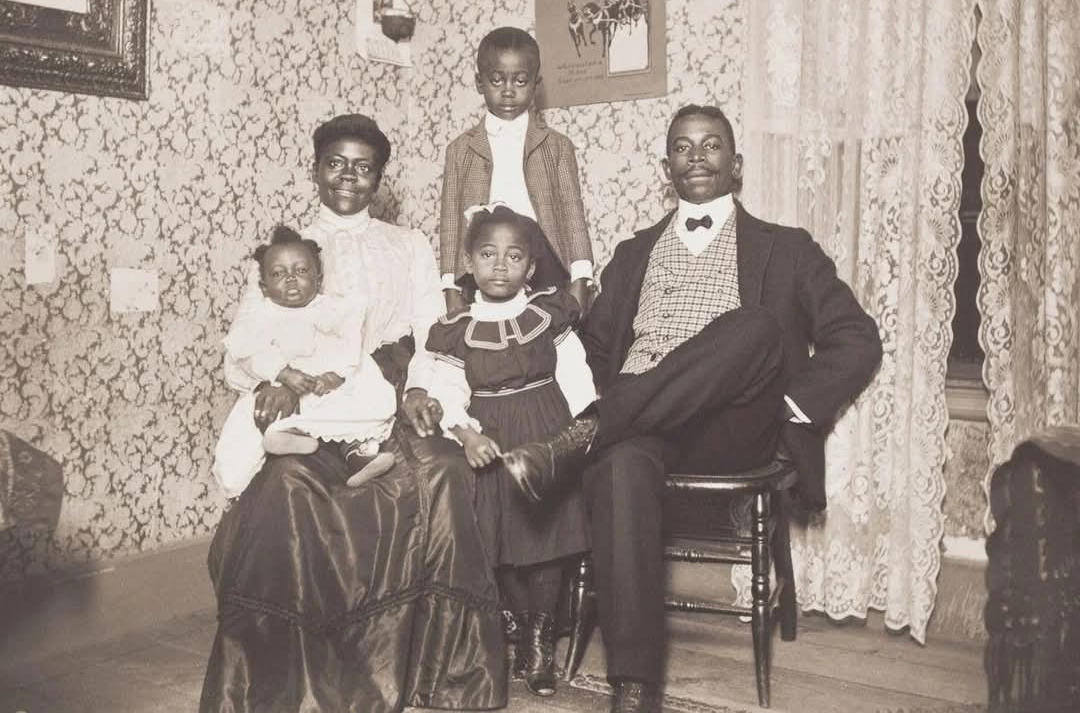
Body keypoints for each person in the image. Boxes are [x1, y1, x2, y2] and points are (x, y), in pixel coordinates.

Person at [501, 105, 884, 713]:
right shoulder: (632, 254)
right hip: (642, 427)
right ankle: (634, 687)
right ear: (666, 167)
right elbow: (596, 349)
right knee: (621, 463)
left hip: (730, 425)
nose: (697, 157)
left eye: (711, 146)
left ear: (735, 165)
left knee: (757, 328)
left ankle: (586, 435)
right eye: (683, 147)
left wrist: (792, 405)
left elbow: (857, 337)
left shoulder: (785, 249)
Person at [200, 114, 506, 713]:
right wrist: (277, 381)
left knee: (442, 468)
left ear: (380, 177)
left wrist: (420, 390)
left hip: (388, 391)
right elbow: (246, 345)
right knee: (286, 484)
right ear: (315, 169)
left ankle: (435, 677)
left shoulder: (408, 244)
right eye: (336, 163)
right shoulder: (287, 250)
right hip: (308, 402)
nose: (349, 176)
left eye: (364, 166)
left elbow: (432, 333)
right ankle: (295, 682)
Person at [425, 204, 595, 697]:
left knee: (547, 539)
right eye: (488, 254)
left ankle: (540, 641)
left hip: (546, 430)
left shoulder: (547, 313)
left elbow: (577, 376)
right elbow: (448, 394)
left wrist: (581, 432)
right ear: (470, 262)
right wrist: (468, 435)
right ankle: (515, 628)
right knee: (502, 540)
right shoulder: (456, 329)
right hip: (491, 437)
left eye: (514, 255)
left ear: (531, 266)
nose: (500, 265)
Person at [212, 225, 396, 498]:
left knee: (366, 400)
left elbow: (348, 345)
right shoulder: (260, 317)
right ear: (263, 286)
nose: (290, 279)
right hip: (278, 391)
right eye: (278, 273)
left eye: (301, 271)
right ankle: (246, 476)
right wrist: (283, 373)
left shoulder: (332, 310)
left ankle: (359, 455)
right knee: (241, 435)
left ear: (318, 278)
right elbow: (247, 351)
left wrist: (335, 374)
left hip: (324, 390)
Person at [440, 26, 594, 315]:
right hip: (484, 265)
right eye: (496, 80)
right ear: (479, 82)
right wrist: (450, 285)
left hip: (544, 262)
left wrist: (581, 277)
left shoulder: (557, 146)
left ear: (537, 84)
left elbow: (573, 214)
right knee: (487, 346)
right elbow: (450, 222)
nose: (508, 91)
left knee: (547, 346)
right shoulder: (459, 150)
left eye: (521, 81)